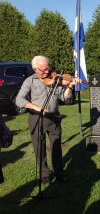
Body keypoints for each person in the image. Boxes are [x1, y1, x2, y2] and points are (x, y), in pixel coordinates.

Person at [16, 55, 81, 184]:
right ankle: (44, 174)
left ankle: (58, 172)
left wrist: (70, 87)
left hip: (54, 117)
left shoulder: (55, 78)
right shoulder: (30, 81)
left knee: (56, 146)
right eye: (43, 69)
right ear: (35, 69)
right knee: (39, 147)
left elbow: (64, 97)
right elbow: (19, 100)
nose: (47, 71)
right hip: (36, 118)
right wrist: (35, 107)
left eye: (48, 68)